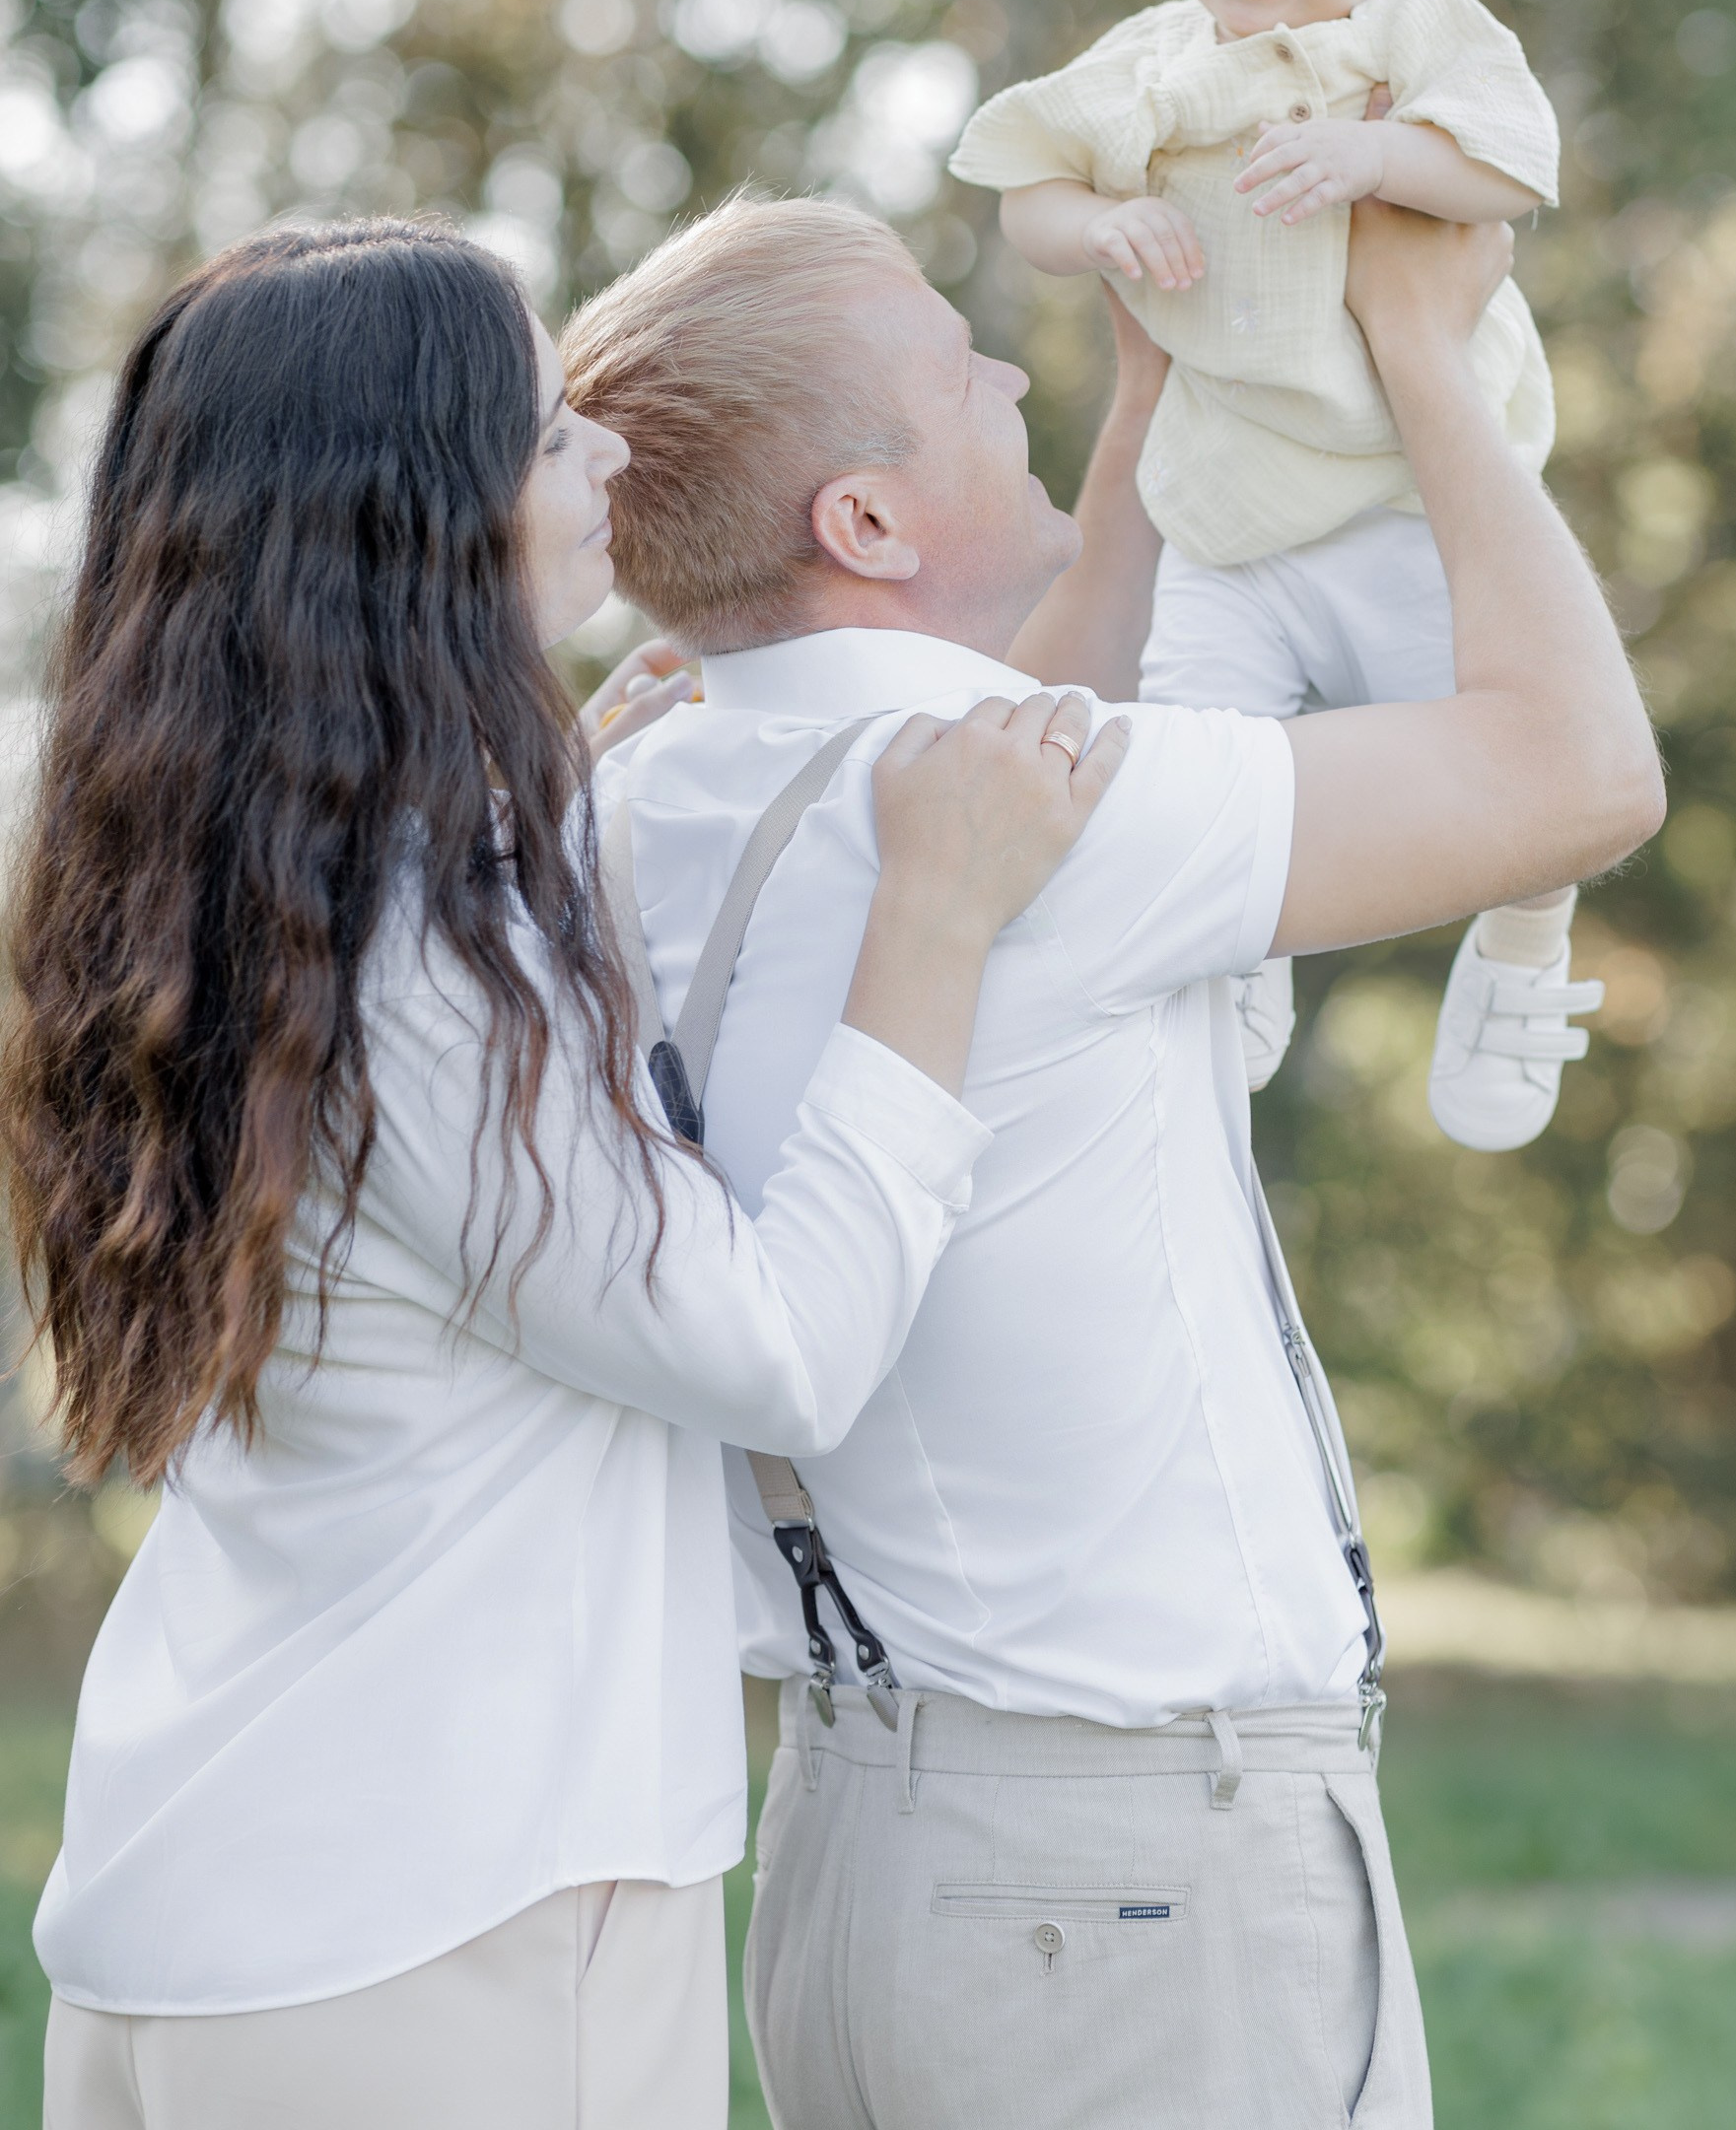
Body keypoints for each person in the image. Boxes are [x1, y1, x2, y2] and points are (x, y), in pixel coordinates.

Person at [0, 218, 1126, 2130]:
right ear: (417, 524)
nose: (600, 453)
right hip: (444, 1937)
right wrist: (929, 921)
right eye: (543, 438)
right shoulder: (427, 955)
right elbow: (771, 1347)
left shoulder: (214, 887)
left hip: (203, 1922)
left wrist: (563, 798)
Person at [560, 185, 1663, 2130]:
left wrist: (1151, 416)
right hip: (1134, 1870)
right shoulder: (1048, 827)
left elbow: (993, 700)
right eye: (950, 358)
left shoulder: (646, 785)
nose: (1004, 365)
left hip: (872, 1840)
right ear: (866, 523)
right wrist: (1417, 347)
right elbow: (1578, 771)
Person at [949, 0, 1595, 1147]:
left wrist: (1380, 153)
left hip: (1405, 505)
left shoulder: (1417, 38)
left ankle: (1523, 946)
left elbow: (1510, 173)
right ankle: (1248, 951)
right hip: (1229, 501)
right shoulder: (1151, 60)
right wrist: (1099, 224)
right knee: (1195, 745)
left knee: (1533, 738)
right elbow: (1027, 183)